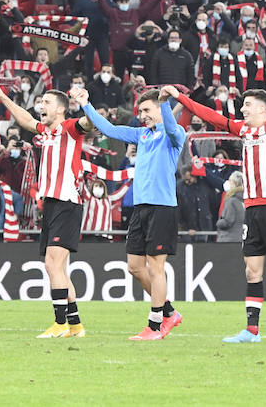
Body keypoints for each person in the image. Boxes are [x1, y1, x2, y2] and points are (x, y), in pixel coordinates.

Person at [174, 84, 266, 344]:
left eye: (248, 104)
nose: (243, 108)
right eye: (243, 105)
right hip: (252, 209)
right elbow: (211, 116)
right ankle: (251, 330)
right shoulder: (242, 130)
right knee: (252, 271)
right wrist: (180, 98)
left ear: (264, 109)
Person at [80, 85, 186, 340]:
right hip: (141, 208)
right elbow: (109, 129)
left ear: (161, 109)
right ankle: (169, 312)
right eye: (140, 111)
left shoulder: (174, 133)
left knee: (155, 268)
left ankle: (155, 325)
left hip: (162, 208)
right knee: (134, 266)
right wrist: (86, 103)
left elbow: (171, 127)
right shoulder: (142, 134)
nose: (142, 115)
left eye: (147, 110)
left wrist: (166, 105)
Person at [0, 85, 94, 338]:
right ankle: (75, 325)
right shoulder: (46, 131)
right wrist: (3, 96)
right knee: (59, 269)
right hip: (51, 205)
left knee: (52, 265)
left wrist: (84, 102)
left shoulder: (71, 128)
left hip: (66, 203)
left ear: (61, 109)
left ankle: (59, 323)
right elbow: (25, 119)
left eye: (47, 102)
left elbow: (91, 123)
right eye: (41, 102)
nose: (41, 106)